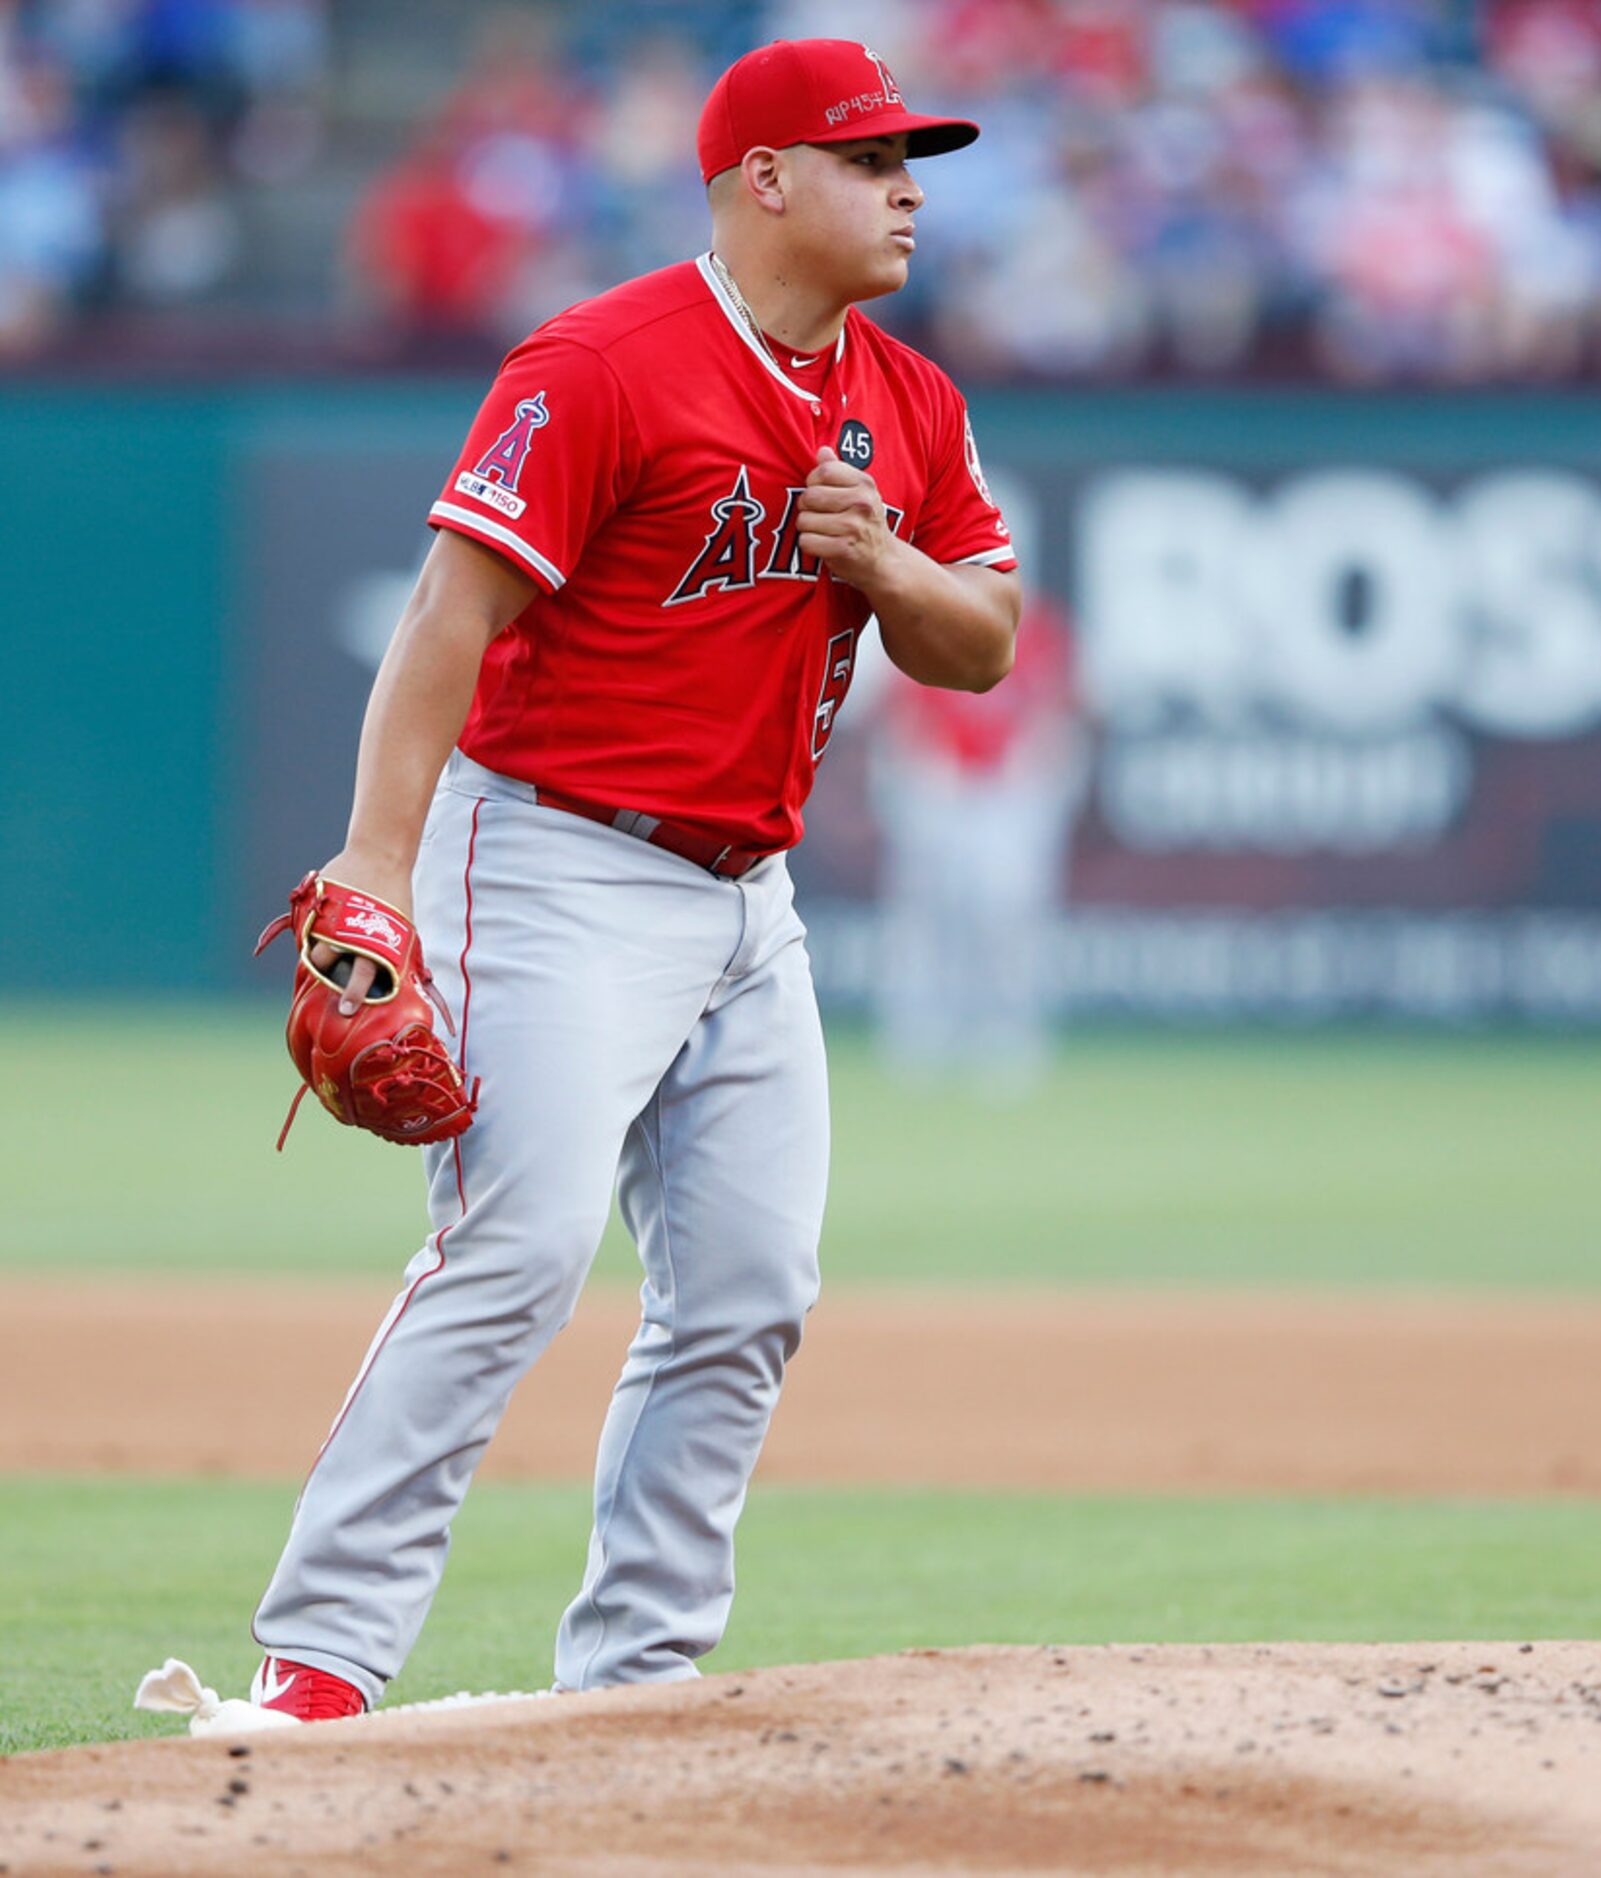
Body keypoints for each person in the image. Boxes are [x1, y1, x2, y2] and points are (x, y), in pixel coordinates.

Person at [244, 38, 1019, 1722]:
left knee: (747, 1290)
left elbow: (985, 640)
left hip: (752, 899)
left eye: (914, 158)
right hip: (553, 861)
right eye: (872, 156)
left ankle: (639, 1688)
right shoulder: (602, 360)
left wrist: (880, 556)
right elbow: (449, 612)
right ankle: (318, 1663)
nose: (908, 188)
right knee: (515, 1250)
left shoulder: (912, 396)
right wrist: (377, 859)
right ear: (761, 178)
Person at [870, 592, 1084, 1090]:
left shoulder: (1041, 633)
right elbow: (902, 711)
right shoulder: (926, 614)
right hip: (938, 787)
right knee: (927, 918)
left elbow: (1062, 714)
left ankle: (1008, 1032)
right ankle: (921, 1031)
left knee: (1007, 917)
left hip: (1008, 795)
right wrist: (921, 775)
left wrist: (1034, 778)